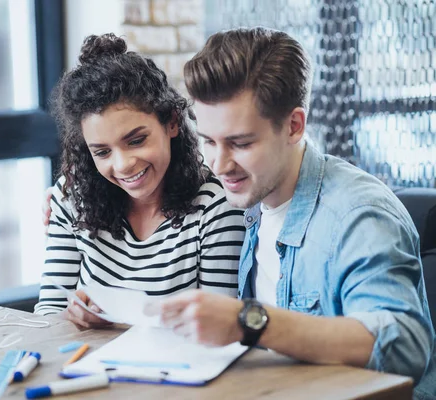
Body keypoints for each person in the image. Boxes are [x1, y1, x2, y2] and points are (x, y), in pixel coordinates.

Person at [141, 27, 435, 399]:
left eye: (241, 143)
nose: (219, 164)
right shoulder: (249, 193)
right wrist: (69, 195)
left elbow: (404, 346)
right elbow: (145, 183)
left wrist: (248, 322)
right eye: (208, 141)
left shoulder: (359, 214)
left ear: (294, 126)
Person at [34, 34, 245, 329]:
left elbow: (221, 328)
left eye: (136, 140)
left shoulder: (215, 208)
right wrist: (72, 317)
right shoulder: (70, 199)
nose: (122, 165)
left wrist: (116, 327)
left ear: (171, 122)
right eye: (102, 152)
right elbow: (46, 314)